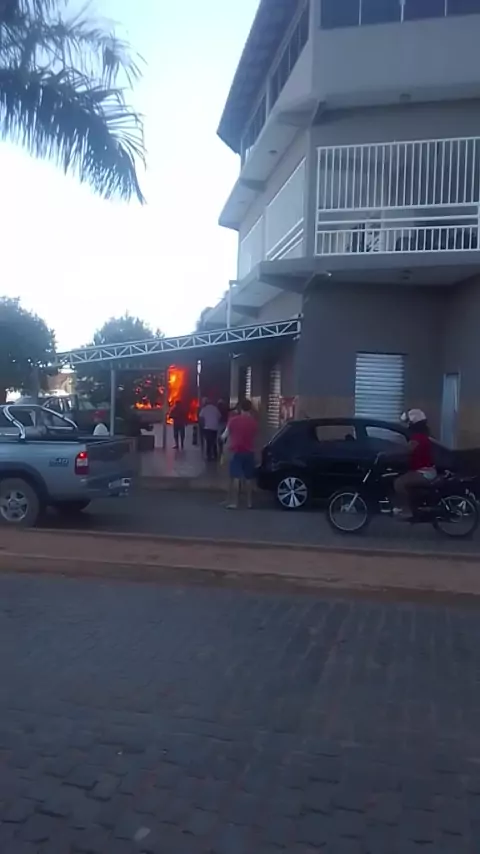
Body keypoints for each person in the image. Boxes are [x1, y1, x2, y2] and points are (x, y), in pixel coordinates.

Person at [393, 409, 437, 518]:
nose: (407, 425)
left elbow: (407, 450)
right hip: (426, 470)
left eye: (408, 422)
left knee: (399, 483)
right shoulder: (423, 435)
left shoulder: (417, 437)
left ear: (413, 423)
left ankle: (406, 510)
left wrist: (389, 454)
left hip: (424, 472)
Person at [221, 398, 258, 509]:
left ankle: (234, 502)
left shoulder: (233, 420)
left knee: (235, 477)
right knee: (248, 478)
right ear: (250, 409)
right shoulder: (253, 422)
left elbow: (224, 436)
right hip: (249, 452)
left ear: (240, 408)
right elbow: (255, 437)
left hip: (236, 451)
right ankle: (249, 502)